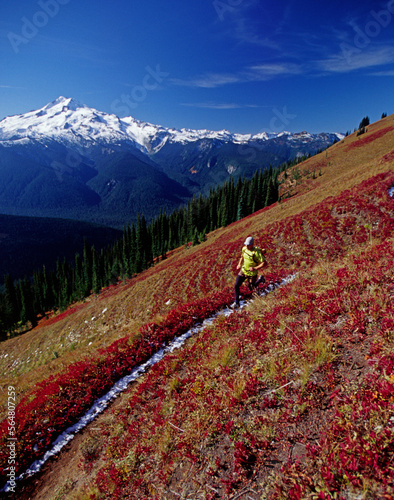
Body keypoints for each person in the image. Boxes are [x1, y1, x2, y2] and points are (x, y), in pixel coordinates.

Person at [231, 236, 266, 308]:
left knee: (251, 288)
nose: (246, 246)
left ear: (252, 244)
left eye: (248, 244)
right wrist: (239, 264)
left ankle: (260, 280)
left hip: (252, 274)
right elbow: (242, 257)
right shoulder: (244, 249)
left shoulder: (256, 253)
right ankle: (236, 302)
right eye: (246, 244)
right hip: (243, 271)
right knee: (236, 285)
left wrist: (255, 268)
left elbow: (264, 263)